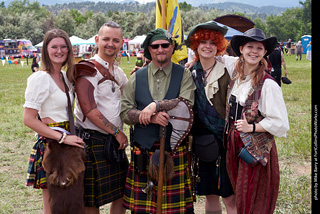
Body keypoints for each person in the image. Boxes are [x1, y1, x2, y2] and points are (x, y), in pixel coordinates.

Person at [120, 28, 196, 214]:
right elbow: (124, 111)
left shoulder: (183, 74)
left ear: (172, 48)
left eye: (165, 45)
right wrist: (147, 117)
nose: (160, 49)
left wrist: (156, 105)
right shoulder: (136, 78)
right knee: (143, 211)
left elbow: (186, 104)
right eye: (155, 46)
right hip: (144, 150)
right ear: (149, 50)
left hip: (174, 148)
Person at [222, 28, 289, 214]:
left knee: (254, 198)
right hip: (234, 145)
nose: (254, 51)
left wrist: (252, 127)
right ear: (241, 49)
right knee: (239, 193)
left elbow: (281, 123)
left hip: (255, 150)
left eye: (259, 48)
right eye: (250, 46)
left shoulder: (268, 84)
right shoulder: (237, 77)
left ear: (264, 53)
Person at [23, 29, 85, 214]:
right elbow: (28, 119)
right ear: (46, 50)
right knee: (53, 205)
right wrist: (62, 138)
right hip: (52, 146)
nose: (59, 51)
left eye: (63, 47)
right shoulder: (40, 78)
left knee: (68, 203)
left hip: (68, 146)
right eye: (54, 47)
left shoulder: (65, 77)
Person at [74, 21, 129, 214]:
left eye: (115, 40)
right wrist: (117, 132)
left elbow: (130, 95)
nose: (110, 44)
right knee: (91, 202)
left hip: (113, 142)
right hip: (93, 140)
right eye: (106, 39)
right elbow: (89, 110)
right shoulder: (86, 69)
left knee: (123, 193)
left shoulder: (118, 72)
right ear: (97, 40)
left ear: (121, 43)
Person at [185, 21, 237, 214]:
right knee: (210, 194)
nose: (208, 46)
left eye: (213, 42)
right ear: (196, 45)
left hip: (226, 140)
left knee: (230, 196)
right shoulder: (188, 72)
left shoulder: (229, 68)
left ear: (219, 46)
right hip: (203, 143)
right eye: (203, 41)